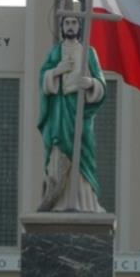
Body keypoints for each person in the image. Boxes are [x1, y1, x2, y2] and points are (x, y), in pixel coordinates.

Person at [37, 14, 107, 212]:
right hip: (59, 113)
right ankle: (58, 202)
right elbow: (43, 78)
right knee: (59, 153)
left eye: (74, 23)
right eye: (66, 23)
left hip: (80, 113)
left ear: (79, 26)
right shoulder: (54, 53)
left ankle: (85, 202)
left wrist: (91, 83)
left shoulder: (88, 52)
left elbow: (101, 83)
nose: (70, 26)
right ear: (61, 27)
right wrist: (57, 71)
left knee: (83, 153)